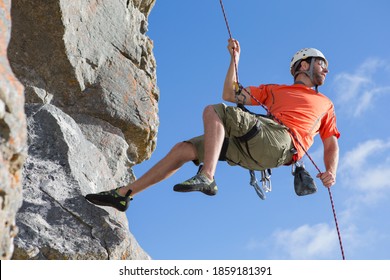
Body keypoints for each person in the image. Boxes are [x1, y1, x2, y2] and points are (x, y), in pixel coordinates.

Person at [85, 39, 340, 212]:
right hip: (258, 147)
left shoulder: (325, 104)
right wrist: (235, 59)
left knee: (213, 111)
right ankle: (124, 194)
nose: (326, 70)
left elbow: (331, 142)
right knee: (184, 149)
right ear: (304, 65)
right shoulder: (273, 90)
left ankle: (207, 176)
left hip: (281, 142)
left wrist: (331, 171)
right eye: (322, 63)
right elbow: (230, 94)